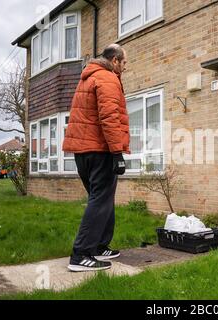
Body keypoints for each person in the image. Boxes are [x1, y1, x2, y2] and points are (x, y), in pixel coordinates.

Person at [62, 44, 130, 272]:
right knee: (101, 200)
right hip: (100, 150)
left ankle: (100, 245)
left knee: (101, 200)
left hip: (83, 151)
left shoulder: (87, 78)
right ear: (115, 60)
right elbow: (109, 117)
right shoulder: (107, 78)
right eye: (124, 62)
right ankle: (81, 255)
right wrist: (117, 152)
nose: (125, 67)